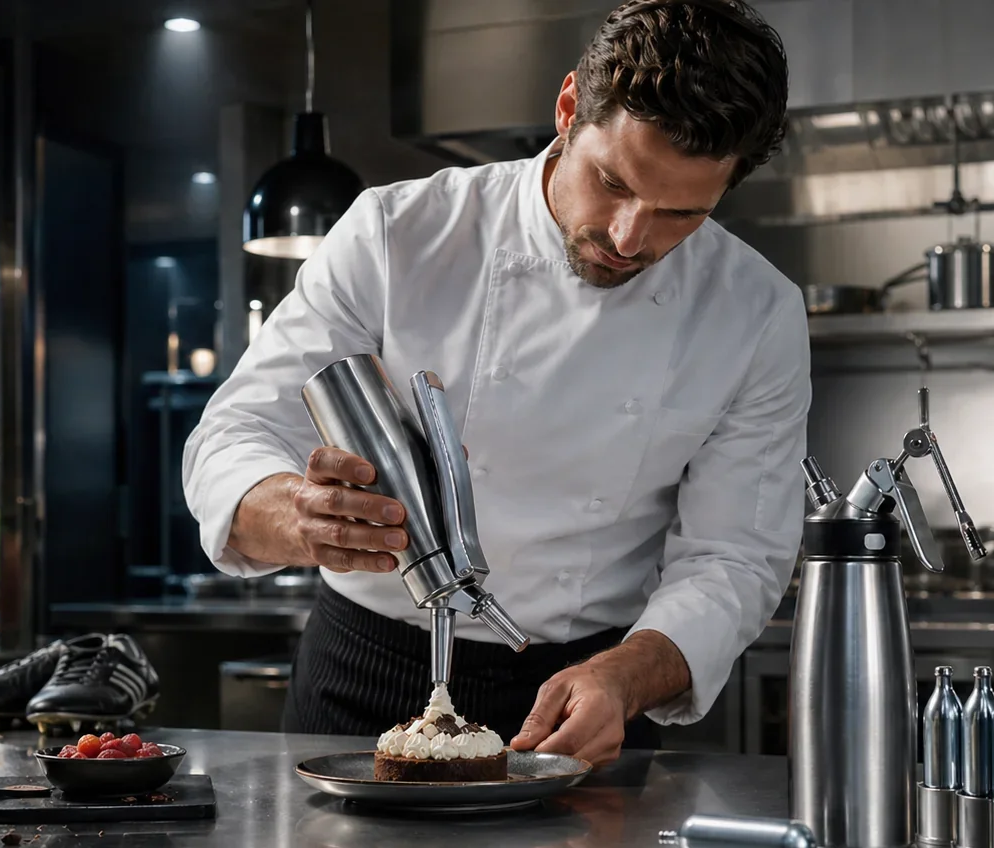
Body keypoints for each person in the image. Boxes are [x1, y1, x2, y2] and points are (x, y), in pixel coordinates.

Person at [183, 0, 809, 767]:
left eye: (680, 214)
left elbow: (735, 556)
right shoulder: (397, 233)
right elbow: (233, 434)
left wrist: (628, 673)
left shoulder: (755, 311)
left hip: (592, 695)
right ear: (569, 107)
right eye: (611, 183)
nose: (628, 238)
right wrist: (299, 514)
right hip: (364, 676)